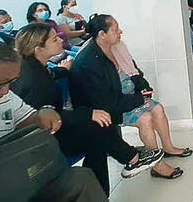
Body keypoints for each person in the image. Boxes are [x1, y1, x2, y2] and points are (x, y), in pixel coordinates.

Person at [12, 24, 165, 195]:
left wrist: (63, 70)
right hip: (45, 139)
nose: (61, 40)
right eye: (55, 39)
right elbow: (43, 118)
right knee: (96, 125)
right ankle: (132, 158)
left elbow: (51, 76)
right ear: (38, 49)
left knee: (97, 138)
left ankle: (99, 192)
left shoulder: (33, 66)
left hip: (55, 127)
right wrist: (88, 113)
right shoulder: (34, 79)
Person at [0, 40, 109, 202]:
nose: (5, 91)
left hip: (18, 172)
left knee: (80, 178)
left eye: (11, 82)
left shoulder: (5, 97)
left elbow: (31, 119)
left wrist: (46, 112)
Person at [70, 14, 191, 180]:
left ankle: (168, 148)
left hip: (127, 98)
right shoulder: (90, 61)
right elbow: (107, 101)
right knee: (146, 119)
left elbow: (134, 71)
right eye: (115, 29)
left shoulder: (117, 47)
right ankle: (157, 165)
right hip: (106, 109)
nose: (120, 31)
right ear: (102, 34)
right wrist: (139, 99)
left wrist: (144, 87)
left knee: (157, 108)